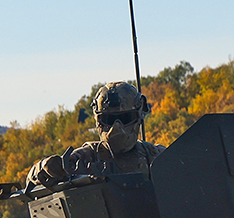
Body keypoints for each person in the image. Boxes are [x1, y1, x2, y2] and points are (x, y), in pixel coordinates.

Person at [25, 81, 162, 188]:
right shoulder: (87, 157)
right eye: (109, 120)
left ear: (138, 117)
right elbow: (32, 181)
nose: (117, 127)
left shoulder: (156, 156)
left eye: (125, 118)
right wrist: (46, 167)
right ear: (98, 121)